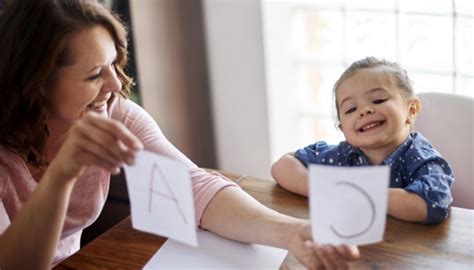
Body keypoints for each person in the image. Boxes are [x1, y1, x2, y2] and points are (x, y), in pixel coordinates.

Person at [0, 1, 359, 269]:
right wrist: (62, 176)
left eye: (114, 64)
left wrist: (292, 232)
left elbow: (196, 189)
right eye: (95, 74)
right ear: (37, 83)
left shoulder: (115, 116)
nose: (114, 84)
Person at [272, 57, 454, 225]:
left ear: (411, 110)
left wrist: (359, 193)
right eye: (351, 109)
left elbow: (434, 203)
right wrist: (325, 188)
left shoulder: (420, 157)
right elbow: (282, 166)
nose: (364, 110)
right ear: (343, 130)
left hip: (409, 252)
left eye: (378, 99)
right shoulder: (344, 155)